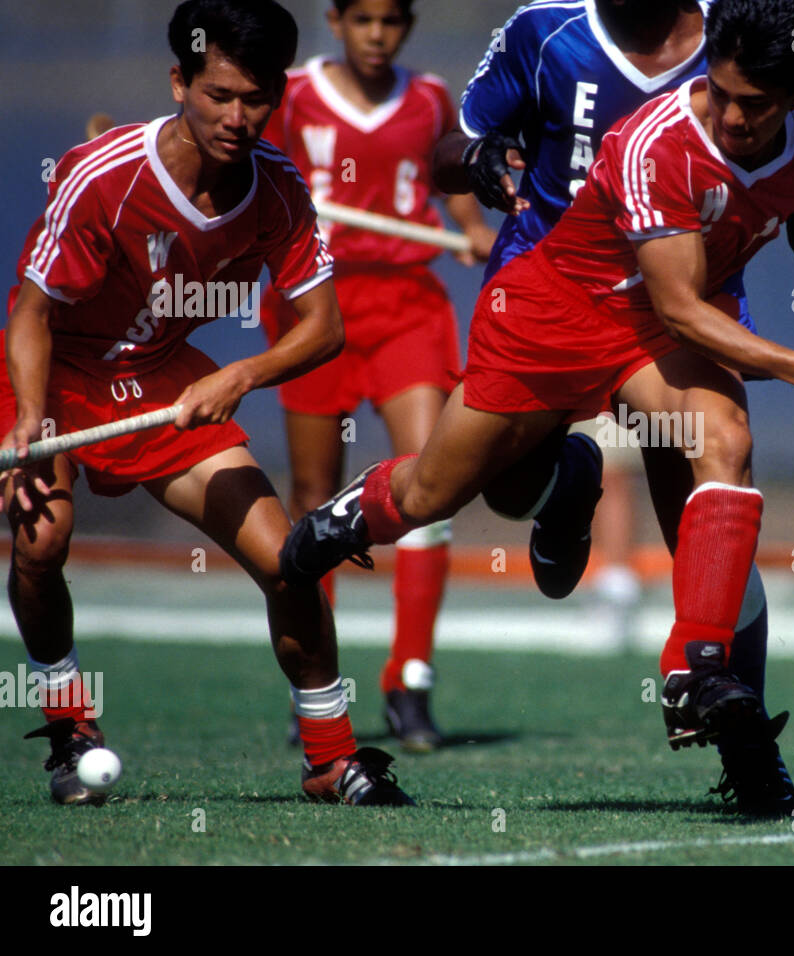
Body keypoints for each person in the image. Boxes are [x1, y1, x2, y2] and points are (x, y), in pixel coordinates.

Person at [282, 0, 794, 814]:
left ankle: (715, 694)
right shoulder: (657, 136)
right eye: (719, 95)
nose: (730, 117)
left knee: (722, 444)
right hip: (558, 310)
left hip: (655, 337)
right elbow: (683, 303)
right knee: (433, 496)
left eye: (753, 105)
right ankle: (354, 516)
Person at [2, 0, 413, 807]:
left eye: (256, 98)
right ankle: (70, 729)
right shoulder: (103, 177)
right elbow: (31, 314)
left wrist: (241, 374)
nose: (237, 117)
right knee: (42, 544)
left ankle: (329, 759)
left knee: (285, 557)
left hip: (164, 378)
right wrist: (28, 424)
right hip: (52, 376)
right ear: (178, 82)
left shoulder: (280, 191)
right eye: (217, 95)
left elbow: (323, 329)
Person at [261, 0, 494, 752]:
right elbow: (238, 165)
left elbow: (452, 179)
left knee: (434, 484)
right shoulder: (289, 93)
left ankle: (411, 681)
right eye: (362, 18)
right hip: (315, 306)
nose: (377, 34)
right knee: (310, 499)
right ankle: (315, 692)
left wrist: (470, 227)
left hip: (405, 306)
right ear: (335, 20)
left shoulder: (427, 98)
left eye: (391, 20)